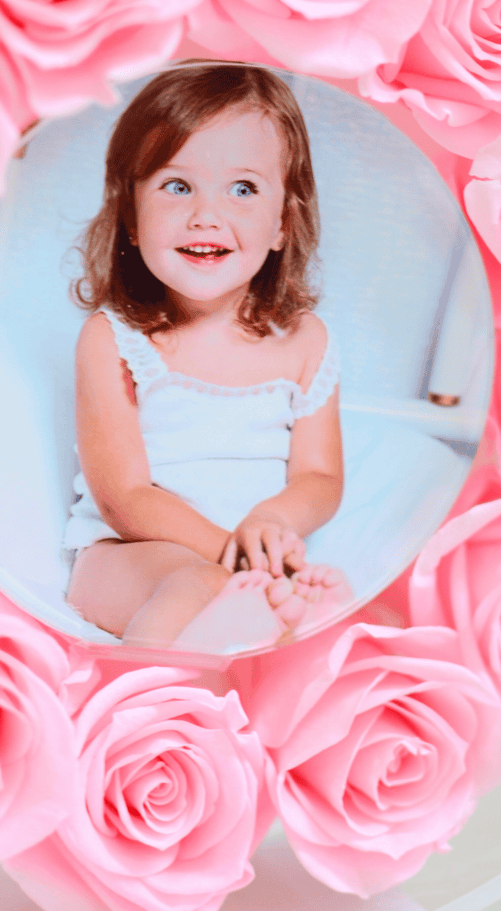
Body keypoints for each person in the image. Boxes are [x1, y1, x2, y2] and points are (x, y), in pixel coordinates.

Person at [63, 61, 349, 651]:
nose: (206, 214)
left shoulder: (305, 342)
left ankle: (283, 636)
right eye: (177, 185)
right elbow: (124, 497)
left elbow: (319, 477)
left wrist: (272, 522)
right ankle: (141, 712)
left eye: (243, 188)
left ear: (282, 224)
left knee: (344, 613)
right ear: (131, 218)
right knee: (196, 587)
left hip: (246, 563)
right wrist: (231, 555)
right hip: (129, 556)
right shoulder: (115, 339)